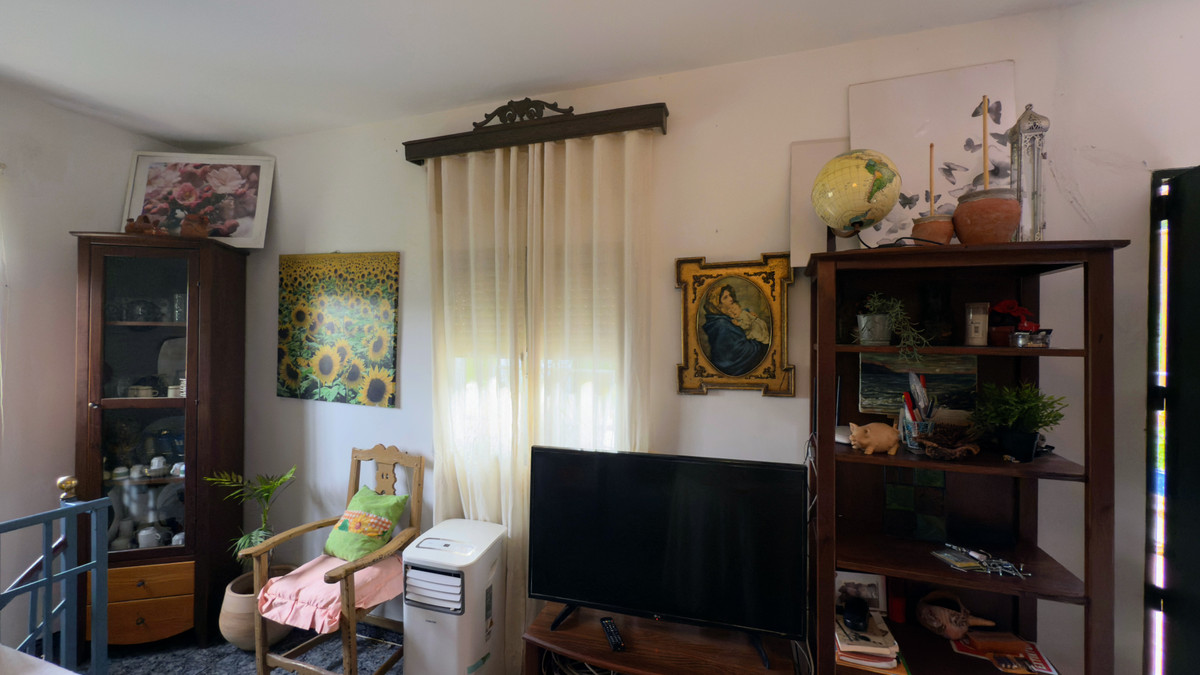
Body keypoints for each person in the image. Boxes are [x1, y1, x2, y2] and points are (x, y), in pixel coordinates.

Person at [701, 284, 769, 376]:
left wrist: (747, 314)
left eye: (730, 295)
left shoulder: (725, 318)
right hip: (732, 368)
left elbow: (737, 315)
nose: (731, 299)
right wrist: (759, 345)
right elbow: (739, 353)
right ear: (718, 305)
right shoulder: (721, 324)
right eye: (725, 297)